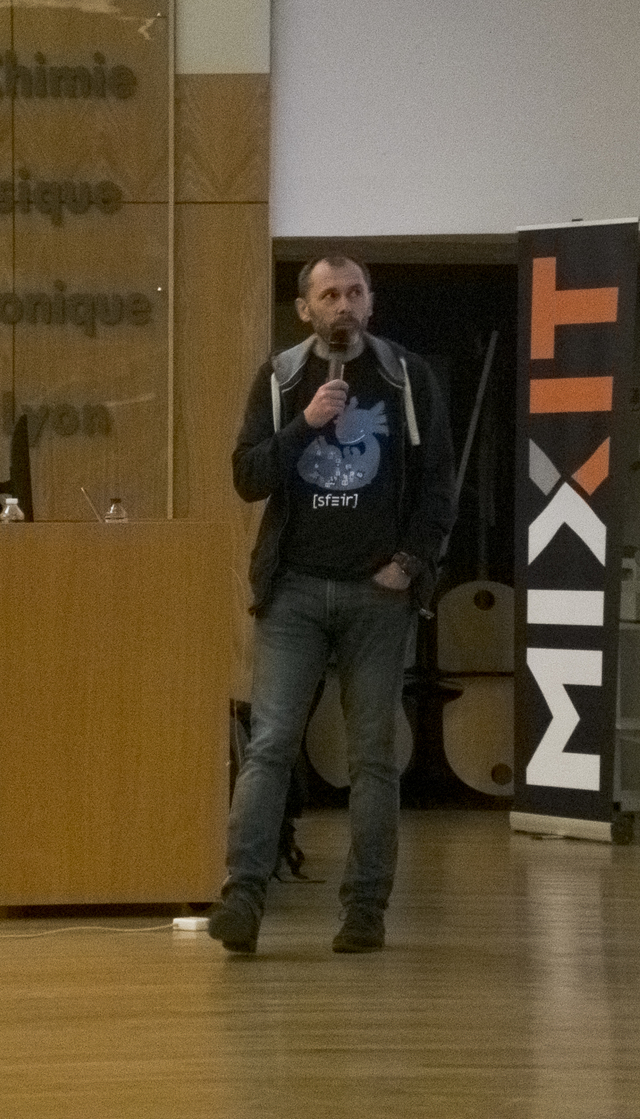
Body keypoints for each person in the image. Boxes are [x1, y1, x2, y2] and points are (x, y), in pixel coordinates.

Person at [210, 254, 455, 954]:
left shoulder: (406, 377)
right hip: (292, 593)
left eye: (353, 293)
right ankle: (242, 900)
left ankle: (366, 909)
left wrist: (410, 563)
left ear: (370, 302)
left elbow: (439, 483)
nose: (342, 305)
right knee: (270, 746)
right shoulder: (281, 379)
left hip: (377, 596)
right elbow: (247, 478)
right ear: (304, 309)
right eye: (328, 295)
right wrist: (306, 424)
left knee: (372, 757)